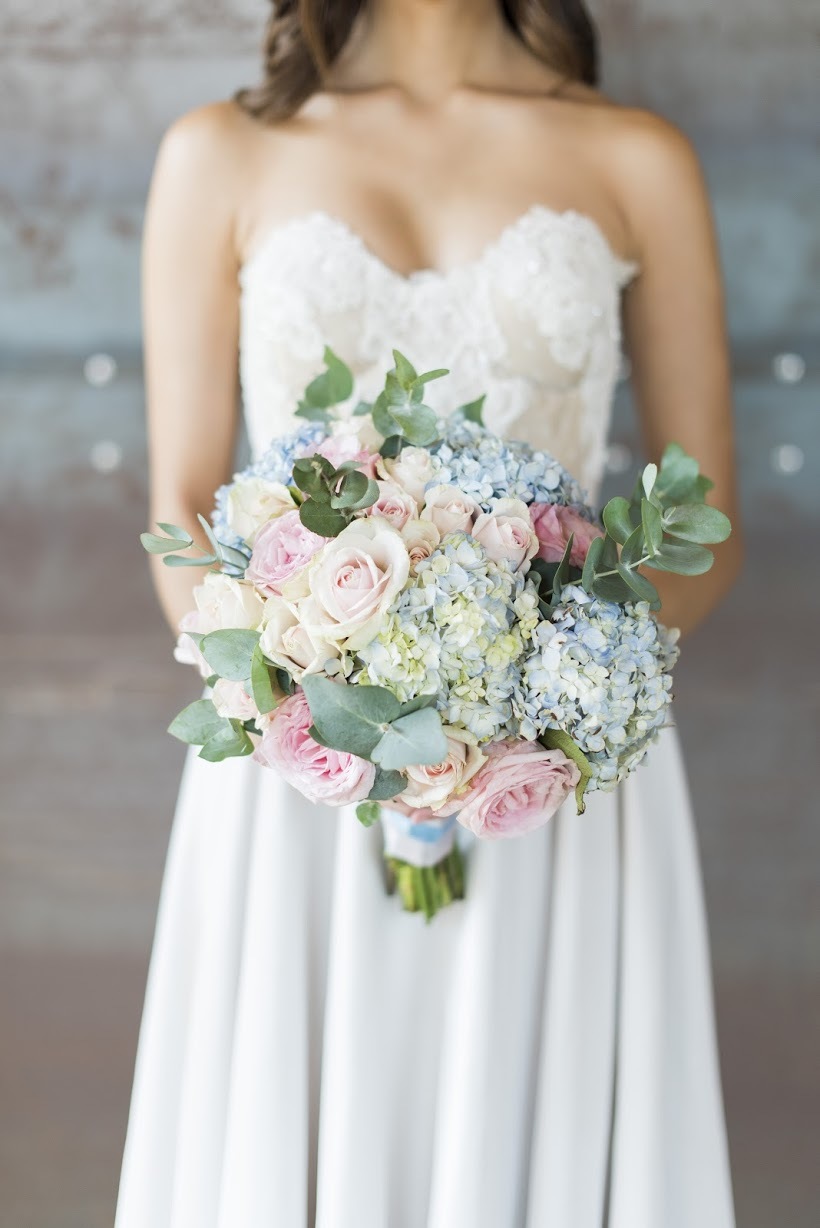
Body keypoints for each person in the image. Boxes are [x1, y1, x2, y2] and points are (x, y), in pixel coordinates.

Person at [115, 2, 744, 1225]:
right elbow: (182, 511)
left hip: (557, 777)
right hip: (295, 769)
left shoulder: (635, 158)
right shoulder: (219, 155)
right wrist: (322, 687)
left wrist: (525, 710)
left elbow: (702, 525)